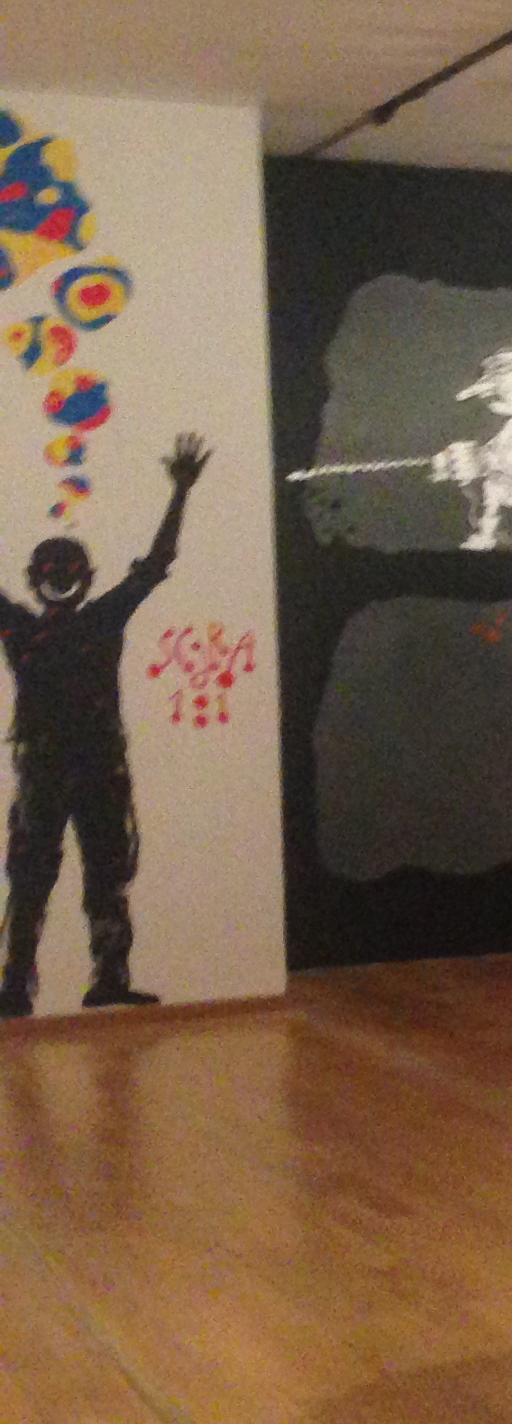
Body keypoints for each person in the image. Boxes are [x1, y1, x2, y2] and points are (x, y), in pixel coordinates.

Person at [0, 433, 206, 1014]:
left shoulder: (51, 626)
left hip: (77, 767)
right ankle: (24, 986)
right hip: (66, 767)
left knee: (94, 876)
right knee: (47, 878)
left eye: (65, 570)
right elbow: (154, 567)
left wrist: (181, 492)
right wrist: (180, 491)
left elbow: (155, 566)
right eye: (53, 570)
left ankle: (75, 981)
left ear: (83, 577)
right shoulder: (78, 623)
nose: (60, 579)